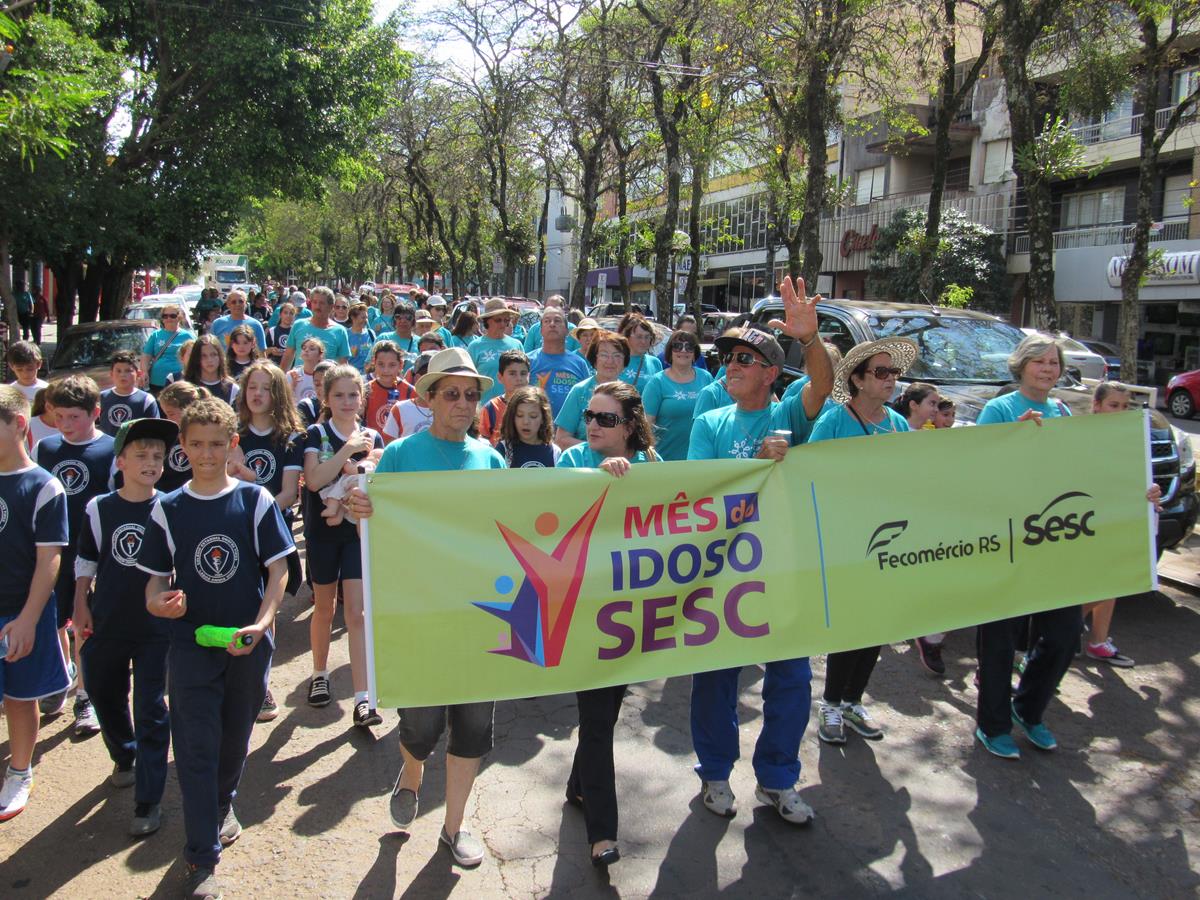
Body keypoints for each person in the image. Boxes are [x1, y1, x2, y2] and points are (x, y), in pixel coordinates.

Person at [346, 347, 504, 868]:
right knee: (420, 727)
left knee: (473, 729)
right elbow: (370, 521)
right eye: (452, 394)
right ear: (429, 399)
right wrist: (360, 508)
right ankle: (411, 773)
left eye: (471, 395)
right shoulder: (400, 456)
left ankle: (454, 827)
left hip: (482, 617)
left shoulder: (491, 459)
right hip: (420, 616)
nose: (463, 403)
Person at [686, 276, 832, 824]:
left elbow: (824, 385)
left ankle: (777, 779)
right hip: (722, 575)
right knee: (716, 681)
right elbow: (702, 493)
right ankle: (716, 775)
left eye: (746, 358)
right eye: (728, 358)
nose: (732, 366)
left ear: (771, 373)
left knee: (791, 682)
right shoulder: (708, 422)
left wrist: (810, 339)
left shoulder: (792, 411)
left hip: (783, 571)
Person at [137, 397, 293, 900]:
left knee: (233, 738)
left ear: (233, 445)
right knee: (196, 745)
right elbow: (155, 583)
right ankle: (202, 856)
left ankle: (224, 800)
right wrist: (162, 603)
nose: (207, 454)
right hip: (190, 646)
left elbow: (278, 570)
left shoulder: (254, 500)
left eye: (217, 444)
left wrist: (263, 623)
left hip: (248, 643)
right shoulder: (167, 507)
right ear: (182, 447)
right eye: (197, 444)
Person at [558, 381, 658, 866]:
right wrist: (597, 479)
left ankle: (578, 787)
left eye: (606, 418)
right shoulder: (571, 460)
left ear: (631, 426)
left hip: (631, 616)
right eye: (590, 416)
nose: (593, 425)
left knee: (605, 714)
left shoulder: (653, 470)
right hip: (581, 614)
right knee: (598, 722)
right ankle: (602, 833)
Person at [971, 334, 1083, 759]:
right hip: (1007, 540)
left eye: (1054, 362)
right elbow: (976, 465)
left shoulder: (1065, 411)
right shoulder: (999, 409)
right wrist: (1009, 441)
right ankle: (993, 725)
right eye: (1039, 361)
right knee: (1000, 639)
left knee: (1064, 634)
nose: (1048, 369)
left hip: (1055, 540)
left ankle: (1029, 709)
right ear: (1021, 366)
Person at [808, 339, 917, 743]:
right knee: (851, 624)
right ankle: (831, 705)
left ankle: (854, 701)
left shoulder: (898, 424)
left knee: (876, 622)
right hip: (847, 540)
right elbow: (812, 473)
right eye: (881, 373)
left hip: (890, 537)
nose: (891, 380)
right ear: (857, 379)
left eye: (894, 374)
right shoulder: (835, 421)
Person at [73, 417, 177, 836]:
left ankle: (147, 801)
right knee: (102, 690)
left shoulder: (172, 506)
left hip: (156, 629)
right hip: (108, 622)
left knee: (151, 708)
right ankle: (124, 751)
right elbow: (85, 559)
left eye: (158, 456)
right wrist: (80, 603)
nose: (151, 463)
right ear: (120, 461)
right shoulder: (99, 508)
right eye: (141, 455)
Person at [32, 375, 116, 734]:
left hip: (96, 552)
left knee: (86, 625)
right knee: (53, 619)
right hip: (53, 553)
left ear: (95, 413)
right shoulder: (45, 449)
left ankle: (86, 697)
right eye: (60, 416)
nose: (66, 425)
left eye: (75, 417)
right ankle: (60, 677)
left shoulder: (112, 450)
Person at [0, 385, 69, 821]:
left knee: (18, 697)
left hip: (20, 612)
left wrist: (28, 618)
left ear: (19, 425)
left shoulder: (43, 487)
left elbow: (50, 560)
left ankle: (20, 770)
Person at [302, 365, 383, 727]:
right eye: (339, 395)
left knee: (357, 612)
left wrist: (363, 458)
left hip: (356, 533)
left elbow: (375, 481)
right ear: (326, 398)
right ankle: (320, 674)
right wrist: (347, 451)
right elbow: (316, 480)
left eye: (353, 395)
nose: (347, 402)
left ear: (361, 398)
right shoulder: (316, 433)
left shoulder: (373, 437)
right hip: (321, 534)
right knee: (323, 607)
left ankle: (363, 698)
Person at [231, 363, 307, 721]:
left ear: (277, 394)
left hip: (271, 530)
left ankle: (260, 684)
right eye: (251, 387)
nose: (257, 394)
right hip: (231, 529)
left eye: (265, 388)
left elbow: (289, 494)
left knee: (266, 605)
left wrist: (250, 485)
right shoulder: (232, 434)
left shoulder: (290, 438)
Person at [642, 329, 714, 460]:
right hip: (666, 458)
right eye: (677, 346)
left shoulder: (706, 377)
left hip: (700, 457)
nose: (683, 350)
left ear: (695, 353)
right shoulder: (657, 382)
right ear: (670, 351)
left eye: (689, 347)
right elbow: (646, 424)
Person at [554, 332, 631, 450]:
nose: (610, 361)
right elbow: (561, 440)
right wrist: (598, 448)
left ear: (624, 361)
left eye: (617, 355)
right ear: (594, 360)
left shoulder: (629, 395)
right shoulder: (579, 391)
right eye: (604, 355)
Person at [527, 307, 591, 417]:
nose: (552, 324)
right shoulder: (527, 361)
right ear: (541, 330)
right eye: (547, 321)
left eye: (557, 320)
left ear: (567, 330)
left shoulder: (580, 364)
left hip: (569, 432)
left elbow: (588, 402)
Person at [155, 382, 209, 494]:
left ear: (188, 409)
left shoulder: (207, 436)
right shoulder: (170, 436)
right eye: (166, 414)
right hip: (168, 497)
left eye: (171, 414)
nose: (168, 419)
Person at [280, 286, 350, 370]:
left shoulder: (340, 331)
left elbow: (343, 365)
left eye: (322, 303)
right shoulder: (298, 325)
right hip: (298, 381)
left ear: (331, 307)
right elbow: (288, 356)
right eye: (314, 302)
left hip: (325, 381)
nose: (317, 306)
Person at [468, 299, 522, 402]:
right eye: (498, 320)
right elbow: (469, 382)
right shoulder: (475, 346)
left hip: (512, 409)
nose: (503, 324)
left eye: (506, 320)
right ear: (487, 320)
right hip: (484, 410)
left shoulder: (517, 344)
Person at [495, 385, 560, 468]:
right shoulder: (504, 450)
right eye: (520, 415)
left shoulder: (555, 453)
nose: (526, 422)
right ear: (512, 417)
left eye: (533, 416)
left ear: (543, 418)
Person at [99, 351, 160, 437]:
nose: (122, 375)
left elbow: (154, 430)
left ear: (138, 374)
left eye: (128, 371)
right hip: (107, 449)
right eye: (118, 371)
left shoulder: (146, 400)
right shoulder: (101, 397)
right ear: (111, 374)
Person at [363, 341, 416, 438]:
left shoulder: (412, 392)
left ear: (400, 365)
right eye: (381, 364)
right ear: (374, 363)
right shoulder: (365, 391)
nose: (386, 370)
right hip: (373, 447)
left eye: (392, 365)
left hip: (400, 448)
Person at [478, 350, 530, 446]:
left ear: (529, 376)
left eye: (523, 373)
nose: (519, 378)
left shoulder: (536, 406)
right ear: (500, 377)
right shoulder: (491, 408)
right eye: (512, 373)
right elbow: (482, 441)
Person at [140, 305, 195, 395]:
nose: (169, 318)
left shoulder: (188, 336)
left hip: (180, 381)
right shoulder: (155, 335)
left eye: (172, 316)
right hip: (158, 381)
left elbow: (195, 357)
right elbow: (146, 356)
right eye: (165, 316)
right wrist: (144, 372)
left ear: (179, 317)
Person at [382, 352, 435, 442]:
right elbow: (389, 446)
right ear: (418, 378)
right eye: (428, 375)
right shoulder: (400, 409)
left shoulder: (449, 409)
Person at [182, 335, 239, 407]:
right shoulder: (186, 386)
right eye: (204, 355)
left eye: (213, 355)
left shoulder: (232, 389)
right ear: (196, 358)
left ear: (220, 357)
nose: (209, 360)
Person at [616, 314, 663, 393]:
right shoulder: (615, 360)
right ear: (627, 337)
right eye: (639, 337)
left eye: (647, 337)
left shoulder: (655, 362)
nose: (643, 341)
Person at [374, 305, 422, 370]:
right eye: (398, 317)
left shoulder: (420, 342)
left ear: (413, 320)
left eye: (408, 317)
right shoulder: (383, 338)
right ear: (394, 319)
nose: (403, 320)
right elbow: (370, 363)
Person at [288, 336, 326, 405]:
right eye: (304, 348)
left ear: (320, 355)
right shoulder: (292, 374)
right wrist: (292, 386)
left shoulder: (325, 376)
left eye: (312, 349)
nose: (306, 350)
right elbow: (285, 399)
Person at [297, 360, 335, 428]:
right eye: (317, 384)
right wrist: (324, 414)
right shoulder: (306, 406)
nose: (322, 389)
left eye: (326, 384)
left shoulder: (347, 405)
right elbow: (302, 436)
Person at [346, 303, 376, 373]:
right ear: (353, 317)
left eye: (366, 317)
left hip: (368, 375)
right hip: (351, 375)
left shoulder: (371, 333)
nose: (366, 320)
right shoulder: (346, 335)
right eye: (363, 317)